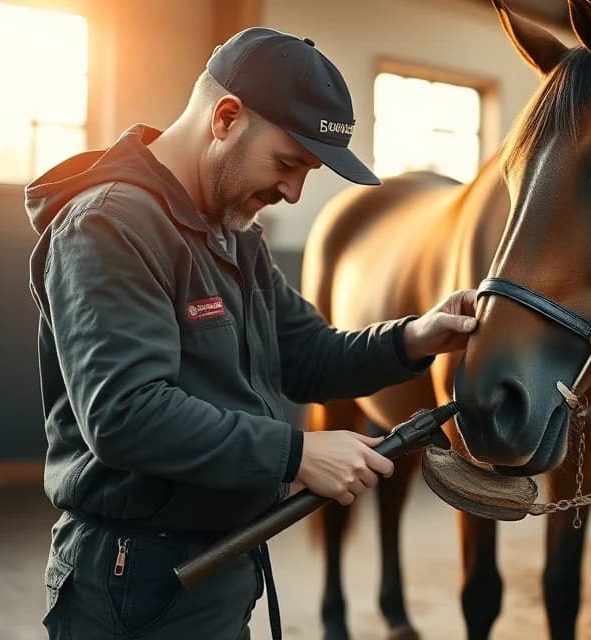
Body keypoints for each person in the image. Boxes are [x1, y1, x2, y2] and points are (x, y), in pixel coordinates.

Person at [25, 27, 476, 639]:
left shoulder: (233, 236)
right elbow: (125, 414)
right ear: (226, 117)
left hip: (219, 566)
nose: (292, 193)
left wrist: (415, 339)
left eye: (306, 172)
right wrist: (296, 454)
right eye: (287, 163)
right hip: (135, 582)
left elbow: (311, 356)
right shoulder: (111, 226)